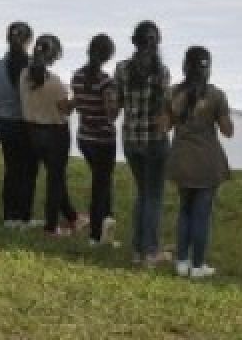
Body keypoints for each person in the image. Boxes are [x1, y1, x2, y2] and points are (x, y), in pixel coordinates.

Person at [166, 47, 232, 278]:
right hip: (207, 161)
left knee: (184, 210)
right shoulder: (216, 95)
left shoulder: (173, 92)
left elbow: (165, 126)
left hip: (182, 158)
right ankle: (198, 265)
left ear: (185, 66)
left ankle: (181, 261)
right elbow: (228, 131)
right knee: (202, 214)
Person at [115, 20, 172, 266]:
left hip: (130, 139)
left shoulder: (121, 69)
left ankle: (138, 249)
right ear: (157, 43)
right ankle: (150, 250)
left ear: (134, 41)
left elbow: (116, 103)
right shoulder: (161, 72)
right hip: (155, 141)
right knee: (153, 195)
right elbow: (165, 110)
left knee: (142, 192)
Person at [0, 22, 37, 228]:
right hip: (28, 125)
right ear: (29, 41)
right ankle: (24, 216)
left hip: (5, 125)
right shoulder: (32, 67)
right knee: (28, 172)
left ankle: (9, 216)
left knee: (11, 171)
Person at [20, 34, 79, 236]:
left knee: (35, 176)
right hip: (55, 134)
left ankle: (70, 216)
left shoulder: (24, 75)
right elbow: (66, 110)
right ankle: (51, 227)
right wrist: (77, 98)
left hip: (31, 131)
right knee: (55, 180)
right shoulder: (55, 83)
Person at [70, 34, 119, 246]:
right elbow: (111, 115)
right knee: (101, 185)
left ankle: (106, 226)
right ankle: (96, 235)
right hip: (103, 140)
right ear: (108, 56)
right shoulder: (106, 82)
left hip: (84, 137)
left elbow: (79, 103)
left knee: (102, 182)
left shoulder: (77, 76)